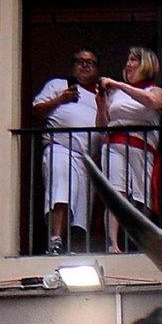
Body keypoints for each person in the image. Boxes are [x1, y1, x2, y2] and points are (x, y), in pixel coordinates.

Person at [29, 49, 103, 254]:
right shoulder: (58, 85)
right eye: (80, 61)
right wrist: (60, 100)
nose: (85, 66)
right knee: (60, 191)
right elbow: (36, 110)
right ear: (73, 66)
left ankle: (76, 248)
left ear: (97, 69)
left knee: (81, 205)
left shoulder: (101, 95)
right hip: (60, 148)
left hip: (86, 157)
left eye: (91, 63)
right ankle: (55, 240)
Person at [98, 47, 162, 251]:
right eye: (127, 59)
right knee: (115, 192)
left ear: (146, 64)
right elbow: (101, 125)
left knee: (141, 196)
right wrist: (100, 103)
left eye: (134, 60)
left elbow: (153, 102)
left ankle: (141, 243)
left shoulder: (155, 90)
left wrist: (118, 84)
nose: (128, 63)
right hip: (114, 144)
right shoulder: (115, 94)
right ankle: (112, 244)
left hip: (141, 147)